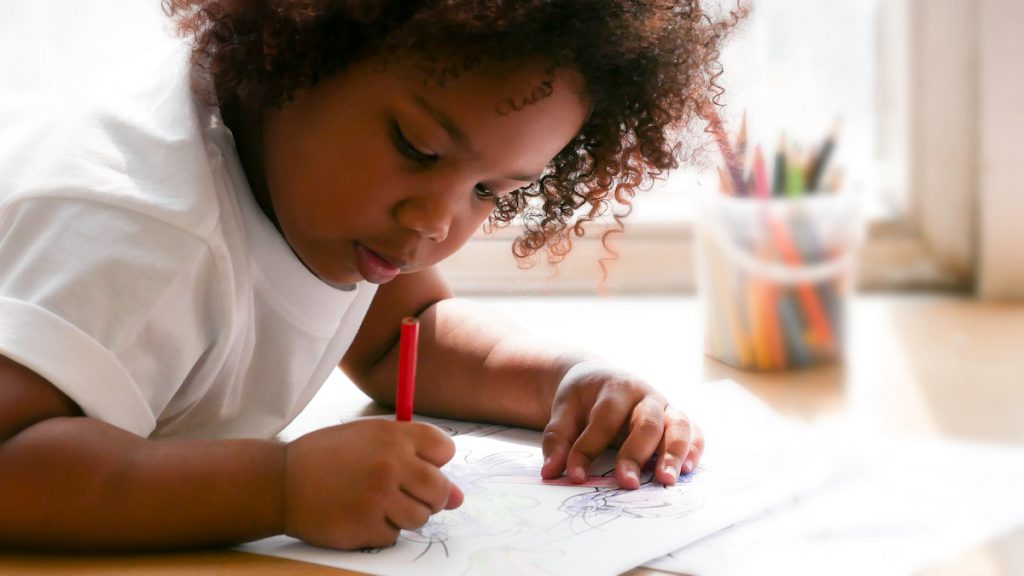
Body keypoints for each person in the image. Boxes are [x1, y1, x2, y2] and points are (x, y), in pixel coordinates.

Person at [0, 0, 743, 553]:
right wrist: (278, 486)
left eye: (493, 192)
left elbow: (400, 340)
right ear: (289, 54)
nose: (436, 222)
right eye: (417, 149)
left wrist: (567, 381)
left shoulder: (322, 196)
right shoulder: (138, 231)